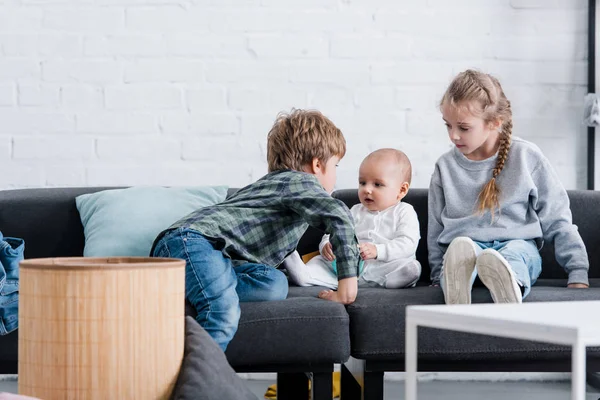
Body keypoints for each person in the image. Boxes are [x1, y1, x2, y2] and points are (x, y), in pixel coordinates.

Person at [150, 109, 361, 351]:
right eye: (335, 165)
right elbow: (339, 216)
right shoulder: (299, 182)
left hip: (209, 253)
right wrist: (347, 286)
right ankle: (195, 384)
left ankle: (195, 287)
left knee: (273, 283)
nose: (336, 174)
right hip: (193, 243)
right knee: (221, 311)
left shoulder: (269, 188)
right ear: (317, 165)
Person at [428, 69, 589, 305]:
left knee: (513, 255)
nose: (453, 136)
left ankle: (509, 283)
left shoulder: (526, 156)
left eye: (463, 128)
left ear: (494, 122)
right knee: (461, 249)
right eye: (448, 126)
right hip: (464, 250)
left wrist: (577, 271)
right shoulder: (445, 166)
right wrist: (436, 273)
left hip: (518, 247)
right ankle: (456, 284)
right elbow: (436, 227)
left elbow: (557, 217)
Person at [284, 148, 421, 290]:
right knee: (317, 262)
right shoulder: (355, 210)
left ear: (402, 190)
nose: (367, 189)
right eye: (362, 183)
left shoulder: (404, 211)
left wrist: (378, 251)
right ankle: (295, 262)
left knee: (411, 267)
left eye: (377, 184)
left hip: (382, 267)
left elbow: (407, 244)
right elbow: (334, 231)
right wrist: (326, 245)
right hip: (346, 269)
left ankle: (393, 280)